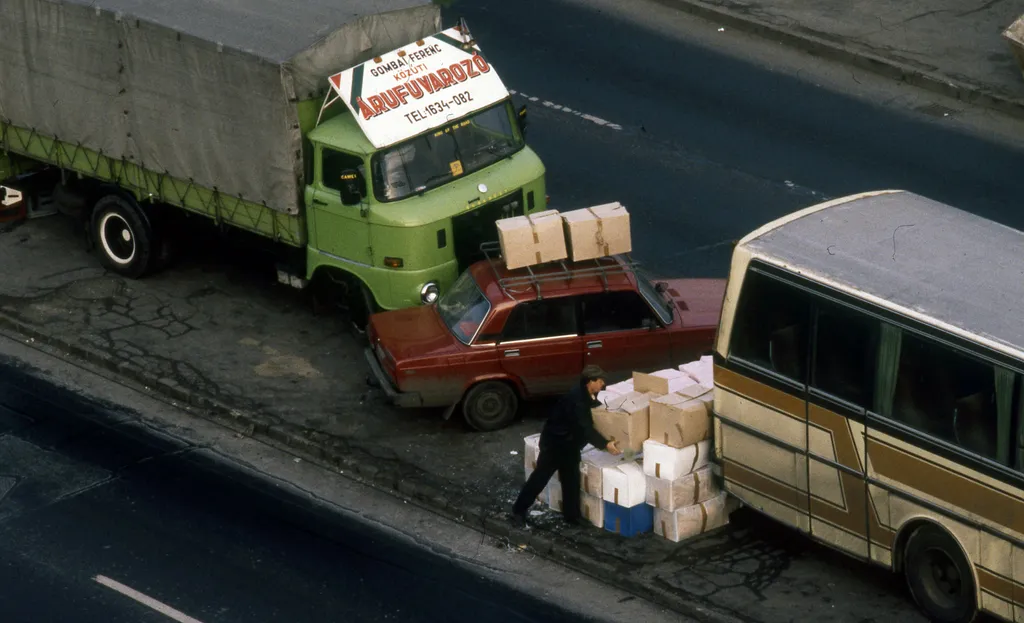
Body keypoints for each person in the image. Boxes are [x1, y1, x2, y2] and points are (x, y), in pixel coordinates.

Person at [511, 365, 621, 528]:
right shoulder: (576, 399)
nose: (603, 384)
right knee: (540, 478)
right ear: (590, 382)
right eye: (600, 381)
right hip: (555, 445)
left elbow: (591, 411)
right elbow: (586, 428)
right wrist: (605, 444)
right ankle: (518, 511)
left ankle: (572, 516)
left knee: (571, 481)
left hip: (570, 445)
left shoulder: (586, 393)